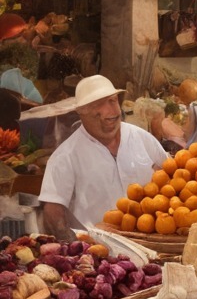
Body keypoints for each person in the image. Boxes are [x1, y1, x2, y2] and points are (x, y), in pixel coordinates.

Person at [40, 75, 166, 237]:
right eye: (99, 103)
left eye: (112, 101)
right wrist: (86, 237)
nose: (111, 111)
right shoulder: (65, 157)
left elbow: (172, 178)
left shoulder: (142, 138)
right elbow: (52, 217)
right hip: (99, 253)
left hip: (150, 245)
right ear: (82, 111)